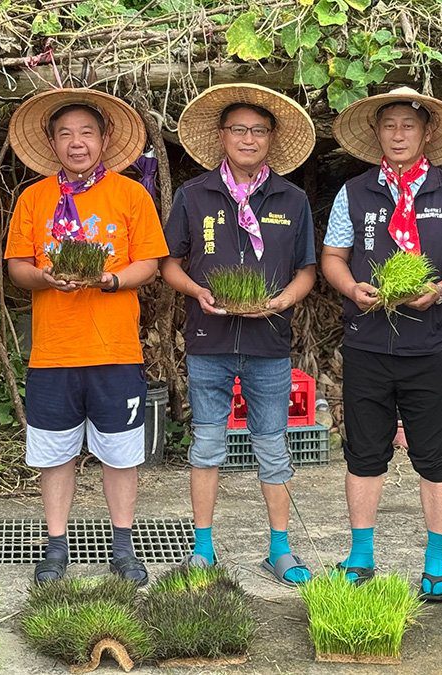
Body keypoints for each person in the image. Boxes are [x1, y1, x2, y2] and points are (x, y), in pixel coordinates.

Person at [321, 87, 442, 600]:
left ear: (426, 133)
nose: (397, 134)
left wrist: (437, 290)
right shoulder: (355, 192)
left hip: (429, 347)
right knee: (363, 453)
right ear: (376, 134)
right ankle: (361, 555)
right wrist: (351, 288)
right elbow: (332, 256)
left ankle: (437, 563)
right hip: (367, 343)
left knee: (435, 456)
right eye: (388, 125)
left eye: (407, 126)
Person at [4, 88, 168, 585]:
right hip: (53, 350)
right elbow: (16, 267)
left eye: (87, 132)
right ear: (53, 143)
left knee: (120, 453)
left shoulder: (130, 195)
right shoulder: (33, 198)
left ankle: (123, 546)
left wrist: (111, 280)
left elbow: (150, 262)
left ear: (105, 138)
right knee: (55, 454)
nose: (77, 142)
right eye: (66, 134)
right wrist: (45, 278)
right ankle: (56, 547)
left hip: (115, 349)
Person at [161, 83, 317, 585]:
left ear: (271, 139)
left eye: (258, 130)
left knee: (273, 445)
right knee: (206, 445)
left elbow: (307, 271)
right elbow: (169, 264)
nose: (248, 138)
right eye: (238, 130)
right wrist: (198, 291)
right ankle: (203, 548)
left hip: (268, 343)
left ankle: (280, 549)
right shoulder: (194, 195)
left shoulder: (292, 199)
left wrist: (282, 301)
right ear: (222, 136)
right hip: (208, 338)